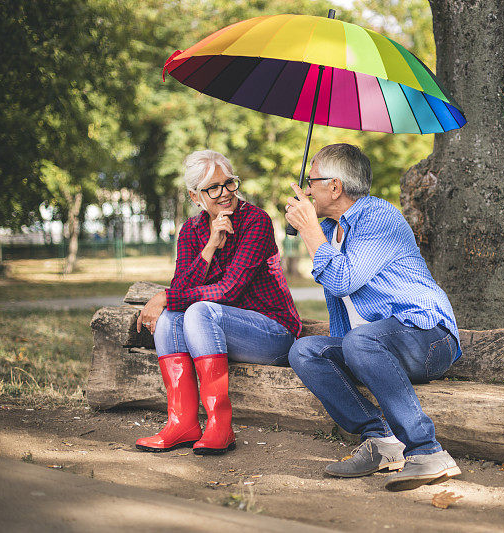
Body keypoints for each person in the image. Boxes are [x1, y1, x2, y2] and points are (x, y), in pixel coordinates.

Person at [284, 143, 462, 491]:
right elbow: (341, 309)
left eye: (311, 180)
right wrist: (313, 230)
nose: (305, 189)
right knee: (305, 351)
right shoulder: (333, 229)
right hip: (372, 345)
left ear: (334, 187)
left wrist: (308, 231)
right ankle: (381, 440)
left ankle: (428, 452)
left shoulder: (378, 217)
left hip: (428, 337)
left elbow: (342, 279)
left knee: (359, 341)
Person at [136, 150, 301, 455]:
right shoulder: (191, 231)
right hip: (218, 330)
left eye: (229, 183)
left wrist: (166, 296)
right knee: (170, 318)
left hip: (273, 332)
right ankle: (182, 424)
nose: (225, 193)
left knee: (195, 310)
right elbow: (182, 284)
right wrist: (210, 246)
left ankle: (220, 426)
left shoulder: (257, 222)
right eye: (213, 187)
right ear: (195, 195)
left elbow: (228, 291)